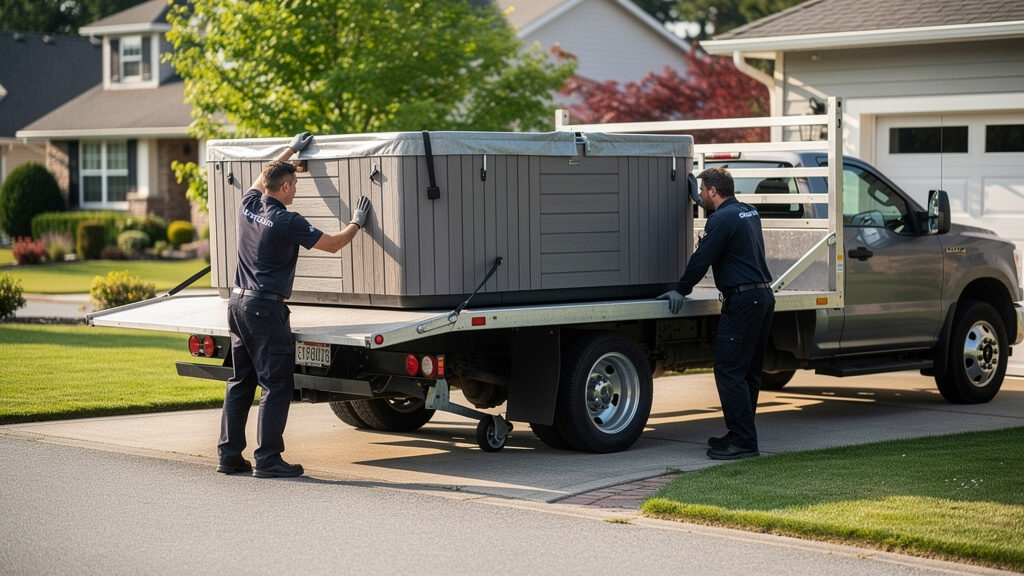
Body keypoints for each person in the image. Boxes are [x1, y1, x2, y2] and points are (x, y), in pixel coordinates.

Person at [217, 131, 371, 478]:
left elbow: (262, 175)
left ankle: (229, 455)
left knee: (241, 381)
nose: (297, 190)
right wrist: (356, 224)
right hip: (266, 311)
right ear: (285, 187)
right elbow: (332, 245)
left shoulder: (249, 205)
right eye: (295, 184)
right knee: (276, 384)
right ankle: (268, 459)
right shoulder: (288, 220)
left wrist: (291, 150)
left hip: (238, 305)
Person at [658, 166, 775, 460]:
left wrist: (681, 289)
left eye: (701, 191)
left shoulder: (721, 220)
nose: (698, 195)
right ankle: (740, 434)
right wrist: (703, 206)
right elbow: (727, 220)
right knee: (747, 373)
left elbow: (702, 259)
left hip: (743, 302)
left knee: (728, 370)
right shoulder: (747, 212)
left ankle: (744, 443)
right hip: (762, 297)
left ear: (712, 190)